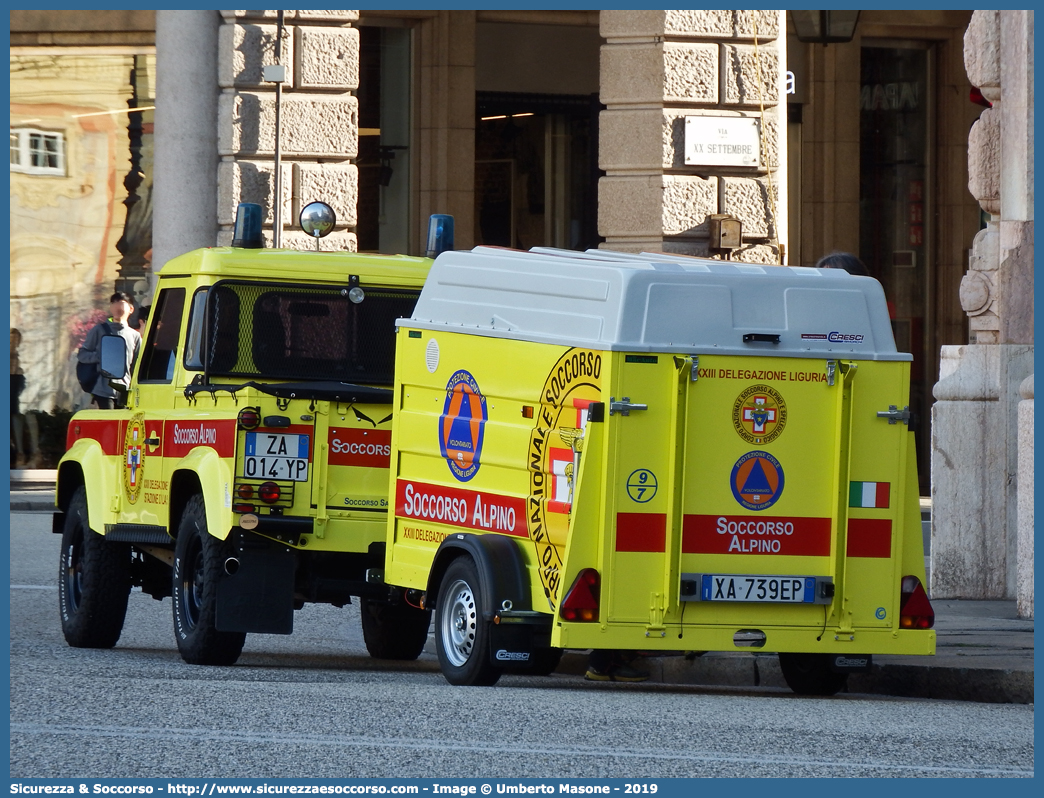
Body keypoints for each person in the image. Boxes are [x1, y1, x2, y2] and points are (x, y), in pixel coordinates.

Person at [77, 292, 142, 409]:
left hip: (125, 389)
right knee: (109, 423)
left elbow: (137, 364)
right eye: (114, 303)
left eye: (121, 303)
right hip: (102, 389)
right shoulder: (98, 330)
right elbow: (82, 355)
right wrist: (101, 357)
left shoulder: (135, 336)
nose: (117, 306)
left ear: (131, 309)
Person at [10, 328, 40, 468]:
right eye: (10, 340)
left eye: (15, 341)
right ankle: (20, 453)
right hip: (14, 387)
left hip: (18, 388)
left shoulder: (19, 358)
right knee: (17, 417)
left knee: (23, 416)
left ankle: (29, 452)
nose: (12, 343)